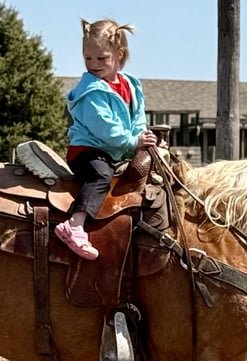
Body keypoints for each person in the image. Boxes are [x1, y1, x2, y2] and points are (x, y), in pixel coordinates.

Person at [55, 18, 157, 260]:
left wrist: (143, 137)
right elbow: (105, 129)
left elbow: (138, 116)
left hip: (114, 150)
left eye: (101, 58)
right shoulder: (91, 91)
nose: (94, 64)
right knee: (101, 175)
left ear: (119, 54)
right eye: (88, 58)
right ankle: (75, 224)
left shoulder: (131, 85)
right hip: (87, 150)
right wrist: (133, 142)